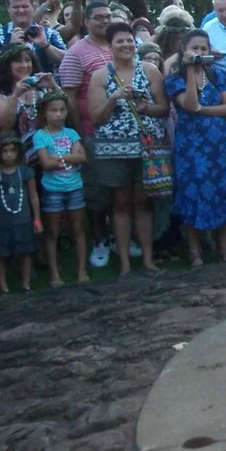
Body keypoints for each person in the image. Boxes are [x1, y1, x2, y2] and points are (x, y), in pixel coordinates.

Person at [88, 22, 170, 276]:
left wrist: (146, 107)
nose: (126, 45)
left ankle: (147, 260)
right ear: (110, 46)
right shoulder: (100, 76)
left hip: (148, 149)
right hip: (114, 152)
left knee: (144, 203)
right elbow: (95, 118)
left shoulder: (150, 70)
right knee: (120, 204)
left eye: (129, 40)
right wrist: (113, 98)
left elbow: (164, 108)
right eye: (120, 41)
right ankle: (124, 263)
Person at [164, 29, 226, 267]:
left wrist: (203, 110)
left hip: (220, 143)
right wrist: (190, 70)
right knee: (193, 190)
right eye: (195, 48)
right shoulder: (175, 78)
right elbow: (189, 104)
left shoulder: (216, 73)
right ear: (184, 50)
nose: (199, 52)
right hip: (191, 145)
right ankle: (195, 250)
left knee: (224, 188)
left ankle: (223, 247)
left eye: (203, 48)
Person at [58, 2, 116, 268]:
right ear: (86, 21)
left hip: (122, 134)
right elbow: (69, 96)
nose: (105, 21)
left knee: (119, 190)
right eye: (98, 17)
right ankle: (100, 240)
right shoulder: (76, 53)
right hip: (92, 132)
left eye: (108, 16)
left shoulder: (118, 46)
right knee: (97, 190)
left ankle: (117, 237)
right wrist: (80, 135)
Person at [33, 93, 88, 285]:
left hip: (74, 186)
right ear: (45, 113)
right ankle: (54, 274)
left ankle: (82, 271)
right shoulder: (40, 136)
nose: (58, 114)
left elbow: (82, 157)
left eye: (62, 110)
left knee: (78, 229)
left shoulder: (71, 133)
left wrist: (57, 157)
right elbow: (46, 164)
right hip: (52, 189)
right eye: (53, 110)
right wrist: (70, 156)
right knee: (52, 232)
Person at [0, 131, 41, 293]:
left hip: (23, 221)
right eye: (5, 151)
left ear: (18, 152)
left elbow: (33, 197)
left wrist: (37, 220)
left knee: (26, 253)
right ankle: (3, 287)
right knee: (0, 254)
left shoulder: (26, 172)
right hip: (1, 222)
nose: (9, 155)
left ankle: (26, 284)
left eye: (12, 150)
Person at [0, 44, 61, 153]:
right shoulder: (0, 94)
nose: (24, 65)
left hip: (52, 148)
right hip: (18, 153)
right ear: (7, 65)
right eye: (18, 61)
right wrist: (15, 96)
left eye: (28, 60)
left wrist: (54, 87)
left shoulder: (43, 89)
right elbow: (5, 125)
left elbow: (67, 111)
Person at [0, 0, 67, 70]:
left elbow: (69, 60)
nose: (21, 10)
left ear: (33, 7)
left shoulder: (49, 33)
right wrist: (11, 48)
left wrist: (46, 46)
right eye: (16, 7)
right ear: (8, 9)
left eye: (25, 6)